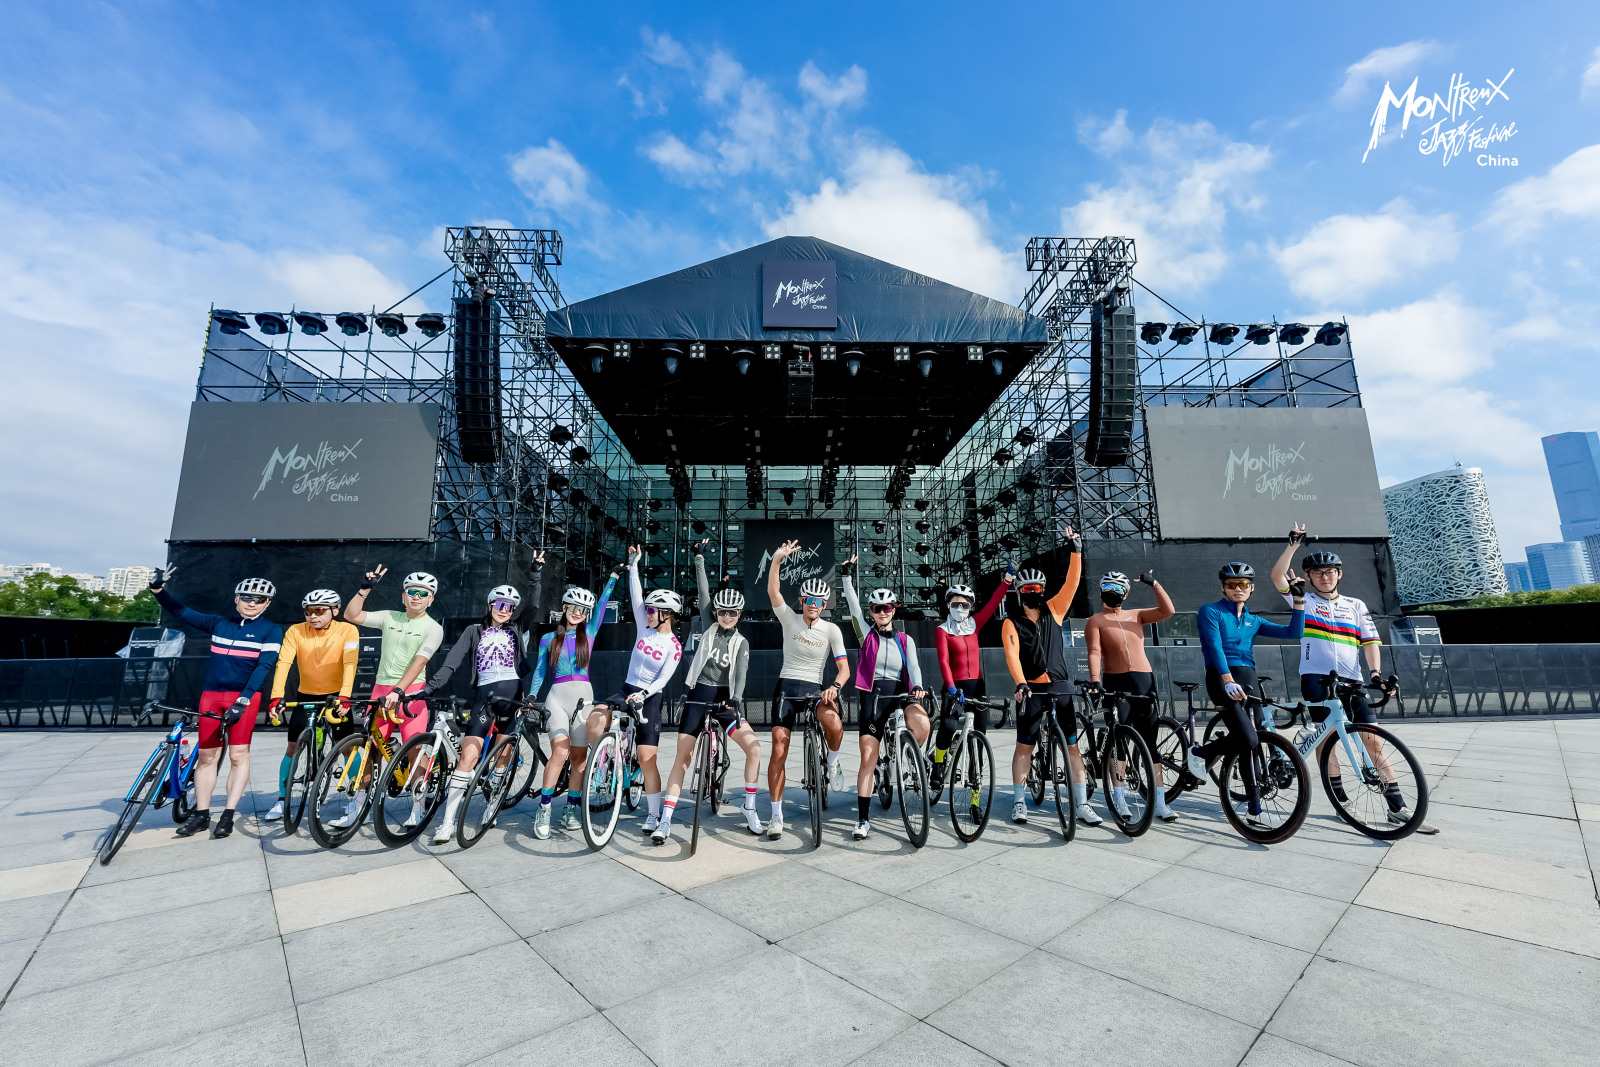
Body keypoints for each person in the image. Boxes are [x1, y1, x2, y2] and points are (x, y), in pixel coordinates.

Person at [1270, 527, 1436, 833]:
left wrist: (1374, 673)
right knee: (1326, 742)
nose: (1325, 577)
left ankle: (1397, 808)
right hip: (1316, 678)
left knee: (1374, 742)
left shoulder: (1356, 605)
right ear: (1308, 577)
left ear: (1339, 575)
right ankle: (1342, 801)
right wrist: (1293, 545)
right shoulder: (1302, 600)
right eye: (1318, 573)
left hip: (1353, 679)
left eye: (1330, 572)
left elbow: (1371, 642)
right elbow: (1277, 576)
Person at [150, 566, 282, 840]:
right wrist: (158, 589)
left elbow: (264, 667)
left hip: (243, 699)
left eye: (258, 599)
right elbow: (181, 612)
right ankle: (201, 814)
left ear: (267, 604)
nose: (251, 603)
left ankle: (228, 815)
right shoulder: (219, 623)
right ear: (236, 599)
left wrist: (243, 700)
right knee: (208, 757)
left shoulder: (271, 630)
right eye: (246, 597)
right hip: (211, 696)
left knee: (237, 756)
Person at [419, 561, 542, 844]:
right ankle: (448, 822)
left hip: (512, 697)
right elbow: (452, 662)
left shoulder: (515, 629)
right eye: (500, 603)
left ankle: (493, 804)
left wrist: (534, 574)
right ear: (490, 605)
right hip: (484, 698)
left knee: (503, 756)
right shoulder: (474, 631)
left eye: (510, 606)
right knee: (468, 757)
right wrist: (430, 687)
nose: (504, 609)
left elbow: (533, 608)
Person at [653, 540, 764, 842]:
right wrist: (699, 558)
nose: (726, 617)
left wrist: (738, 700)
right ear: (716, 612)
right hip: (699, 694)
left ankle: (750, 808)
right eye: (722, 612)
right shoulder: (708, 623)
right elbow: (703, 593)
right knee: (682, 759)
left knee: (754, 748)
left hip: (726, 698)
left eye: (733, 613)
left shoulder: (742, 643)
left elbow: (740, 675)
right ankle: (665, 819)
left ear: (740, 615)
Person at [1185, 562, 1305, 829]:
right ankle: (1202, 753)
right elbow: (1214, 645)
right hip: (1220, 675)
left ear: (1251, 588)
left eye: (1243, 584)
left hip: (1248, 676)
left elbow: (1295, 632)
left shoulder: (1254, 619)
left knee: (1254, 737)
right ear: (1223, 587)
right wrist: (1226, 679)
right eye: (1231, 584)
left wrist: (1298, 600)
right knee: (1248, 739)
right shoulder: (1211, 611)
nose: (1237, 588)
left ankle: (1253, 809)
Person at [1000, 526, 1101, 826]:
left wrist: (1076, 550)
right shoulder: (1011, 622)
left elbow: (1071, 583)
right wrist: (1020, 683)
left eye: (1036, 590)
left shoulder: (1054, 610)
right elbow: (1011, 656)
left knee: (1072, 745)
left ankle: (1081, 804)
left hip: (1060, 685)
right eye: (1026, 590)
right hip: (1031, 688)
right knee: (1024, 746)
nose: (1032, 594)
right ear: (1018, 592)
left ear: (1042, 591)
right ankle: (1019, 802)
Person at [335, 565, 445, 829]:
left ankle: (418, 807)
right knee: (371, 749)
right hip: (380, 691)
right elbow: (352, 615)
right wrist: (364, 589)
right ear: (403, 596)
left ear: (431, 599)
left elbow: (419, 663)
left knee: (415, 751)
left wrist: (399, 691)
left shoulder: (433, 628)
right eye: (411, 592)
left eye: (423, 593)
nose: (416, 596)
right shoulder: (389, 617)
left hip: (412, 695)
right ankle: (359, 804)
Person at [587, 546, 683, 836]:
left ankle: (655, 816)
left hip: (649, 697)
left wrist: (643, 695)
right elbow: (636, 595)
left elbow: (663, 680)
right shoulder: (644, 627)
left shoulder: (673, 646)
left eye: (653, 611)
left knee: (646, 759)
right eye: (649, 610)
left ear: (668, 615)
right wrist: (634, 566)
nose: (647, 613)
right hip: (626, 688)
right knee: (594, 720)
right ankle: (607, 763)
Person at [764, 540, 849, 839]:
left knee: (835, 723)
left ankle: (833, 764)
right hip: (787, 686)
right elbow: (774, 592)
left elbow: (844, 669)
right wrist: (777, 559)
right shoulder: (788, 618)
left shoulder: (831, 630)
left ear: (825, 605)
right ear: (801, 600)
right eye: (809, 599)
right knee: (778, 749)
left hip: (816, 690)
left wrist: (835, 687)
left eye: (820, 601)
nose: (814, 604)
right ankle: (776, 816)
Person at [526, 567, 618, 839]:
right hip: (556, 697)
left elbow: (601, 607)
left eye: (582, 609)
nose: (577, 612)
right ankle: (544, 808)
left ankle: (571, 808)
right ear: (564, 606)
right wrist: (532, 696)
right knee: (560, 753)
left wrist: (611, 579)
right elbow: (541, 671)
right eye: (572, 606)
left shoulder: (588, 634)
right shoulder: (547, 638)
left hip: (583, 696)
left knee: (580, 757)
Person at [841, 559, 930, 840]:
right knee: (868, 757)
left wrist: (917, 686)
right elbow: (853, 608)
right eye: (877, 608)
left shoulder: (905, 639)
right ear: (873, 612)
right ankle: (863, 819)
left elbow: (914, 667)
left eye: (887, 608)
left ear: (894, 610)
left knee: (923, 724)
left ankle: (911, 756)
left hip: (902, 692)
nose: (882, 612)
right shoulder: (865, 635)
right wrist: (846, 576)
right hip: (873, 695)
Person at [1083, 569, 1177, 822]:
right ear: (1102, 591)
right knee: (1120, 742)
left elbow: (1168, 611)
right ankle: (1120, 797)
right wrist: (1094, 679)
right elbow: (1094, 651)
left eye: (1118, 590)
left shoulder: (1137, 615)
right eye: (1109, 589)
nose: (1113, 593)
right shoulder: (1095, 620)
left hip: (1144, 681)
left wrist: (1155, 584)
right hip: (1116, 682)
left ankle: (1159, 802)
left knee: (1150, 744)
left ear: (1125, 594)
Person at [263, 588, 360, 823]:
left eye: (319, 610)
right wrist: (276, 697)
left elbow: (350, 663)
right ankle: (282, 799)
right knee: (293, 747)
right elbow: (284, 663)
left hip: (337, 695)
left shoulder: (348, 629)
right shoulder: (296, 631)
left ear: (335, 611)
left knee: (345, 746)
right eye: (308, 611)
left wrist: (345, 696)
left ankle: (357, 797)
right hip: (306, 695)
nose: (313, 616)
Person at [930, 573, 1013, 792]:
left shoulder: (975, 624)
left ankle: (976, 798)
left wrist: (1006, 581)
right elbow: (943, 662)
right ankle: (938, 763)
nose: (960, 608)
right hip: (954, 685)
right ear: (948, 605)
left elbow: (994, 602)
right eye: (956, 604)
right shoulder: (942, 630)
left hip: (978, 687)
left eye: (965, 605)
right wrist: (949, 686)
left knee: (978, 742)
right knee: (948, 725)